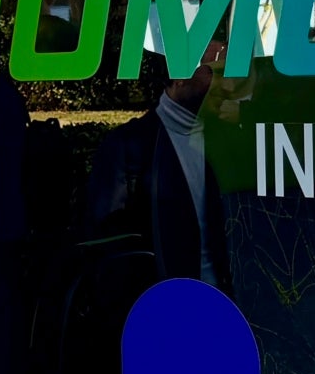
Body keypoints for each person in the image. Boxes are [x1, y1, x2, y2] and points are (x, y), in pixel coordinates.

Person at [86, 36, 230, 286]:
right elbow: (107, 242)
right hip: (159, 308)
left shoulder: (226, 140)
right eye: (216, 73)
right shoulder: (130, 146)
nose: (227, 85)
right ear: (181, 77)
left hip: (224, 306)